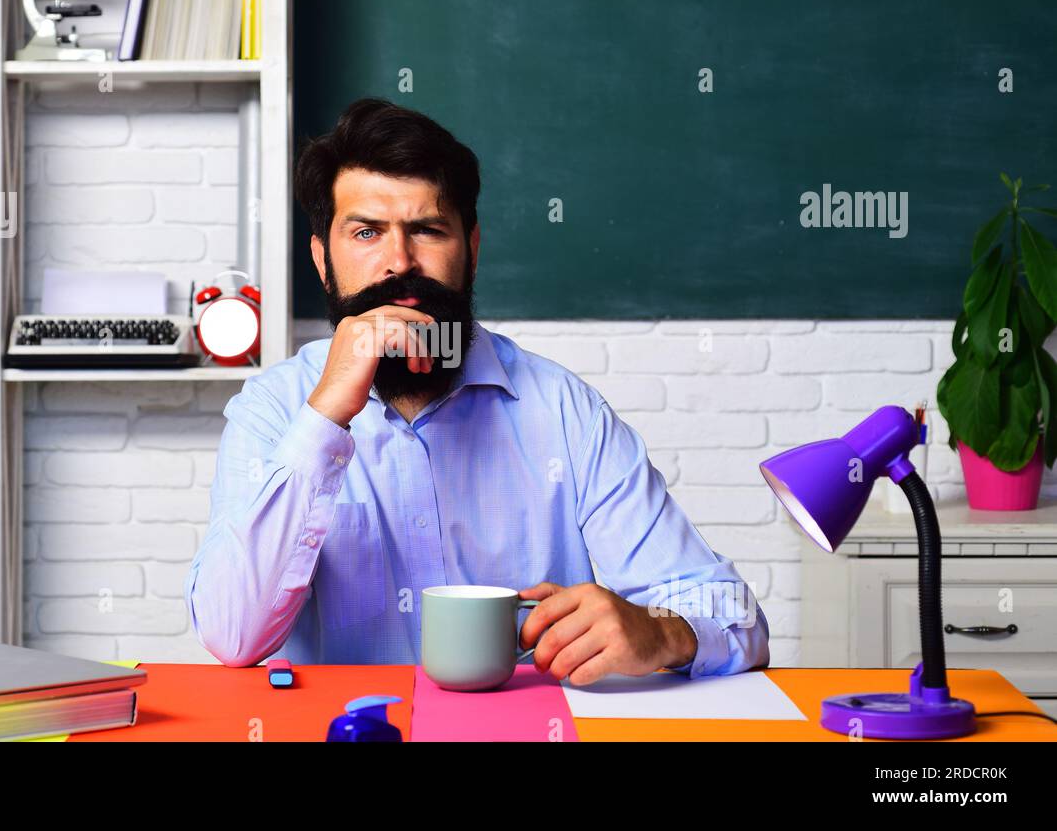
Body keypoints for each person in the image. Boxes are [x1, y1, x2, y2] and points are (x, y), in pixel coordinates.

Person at [185, 98, 770, 683]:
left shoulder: (564, 411)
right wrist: (325, 417)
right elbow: (233, 635)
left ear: (471, 246)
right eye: (366, 232)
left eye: (427, 230)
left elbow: (734, 614)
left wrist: (665, 630)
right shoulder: (274, 410)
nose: (399, 263)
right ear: (322, 259)